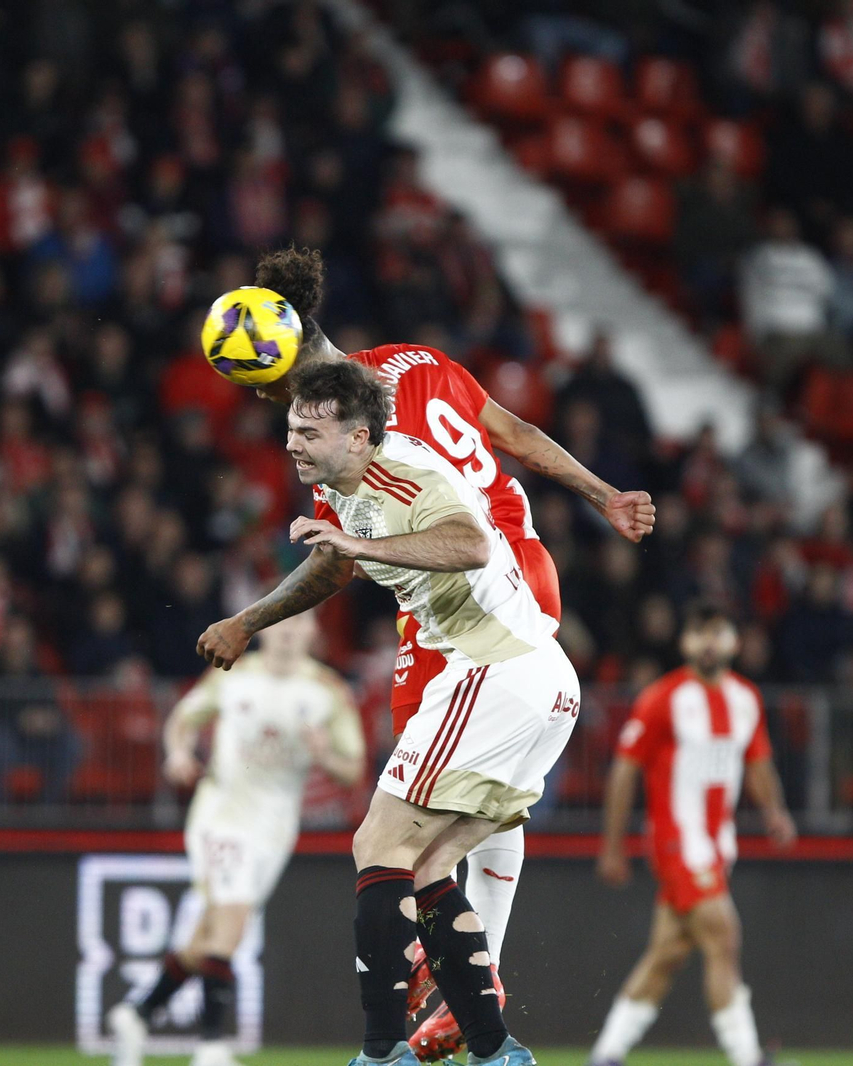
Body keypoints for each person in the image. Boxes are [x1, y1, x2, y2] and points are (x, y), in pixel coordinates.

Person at [198, 246, 656, 1060]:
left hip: (469, 597)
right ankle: (478, 1007)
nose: (286, 427)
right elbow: (513, 433)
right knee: (451, 818)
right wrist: (603, 495)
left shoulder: (354, 441)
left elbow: (383, 551)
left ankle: (462, 992)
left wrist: (256, 615)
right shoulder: (416, 361)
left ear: (270, 380)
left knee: (397, 829)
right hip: (524, 568)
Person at [205, 360, 579, 1066]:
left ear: (359, 437)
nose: (293, 443)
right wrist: (248, 622)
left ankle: (380, 1056)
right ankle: (497, 1051)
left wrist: (358, 545)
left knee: (377, 847)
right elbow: (327, 568)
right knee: (432, 864)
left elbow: (470, 541)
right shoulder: (345, 486)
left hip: (496, 670)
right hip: (535, 683)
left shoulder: (404, 471)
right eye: (290, 428)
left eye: (311, 432)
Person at [109, 612, 365, 1066]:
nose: (287, 631)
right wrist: (178, 752)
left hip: (275, 826)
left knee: (210, 933)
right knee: (232, 920)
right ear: (264, 628)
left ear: (314, 632)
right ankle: (210, 1047)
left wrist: (325, 753)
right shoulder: (231, 676)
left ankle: (137, 1013)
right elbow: (183, 719)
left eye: (299, 622)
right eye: (281, 621)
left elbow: (353, 768)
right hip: (222, 815)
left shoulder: (328, 692)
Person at [589, 603, 797, 1066]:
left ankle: (605, 1056)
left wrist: (775, 812)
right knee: (724, 936)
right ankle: (749, 1058)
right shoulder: (663, 698)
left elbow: (758, 762)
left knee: (667, 954)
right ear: (684, 642)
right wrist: (612, 846)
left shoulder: (746, 698)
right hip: (677, 840)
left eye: (718, 632)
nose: (708, 642)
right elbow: (625, 772)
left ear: (734, 642)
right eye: (699, 632)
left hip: (717, 844)